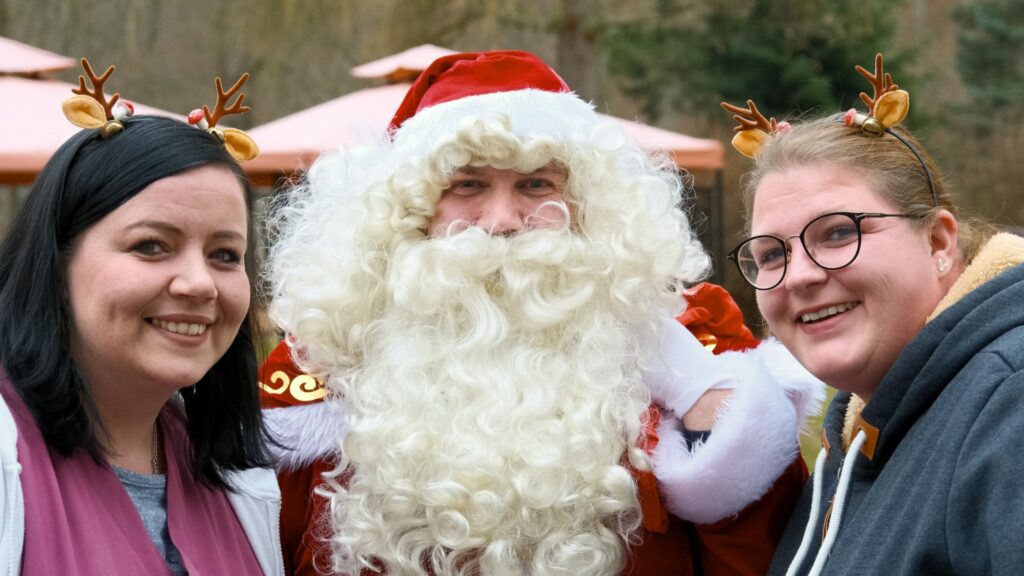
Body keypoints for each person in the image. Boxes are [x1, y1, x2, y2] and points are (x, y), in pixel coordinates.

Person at [263, 50, 823, 576]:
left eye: (536, 184)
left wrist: (707, 408)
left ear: (587, 206)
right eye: (468, 185)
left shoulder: (692, 337)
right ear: (410, 212)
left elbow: (774, 557)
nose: (503, 220)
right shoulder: (319, 361)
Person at [722, 53, 1024, 575]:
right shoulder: (855, 438)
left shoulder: (1008, 404)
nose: (798, 276)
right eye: (772, 254)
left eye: (839, 232)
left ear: (938, 241)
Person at [0, 60, 283, 575]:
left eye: (224, 254)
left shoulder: (245, 480)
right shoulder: (7, 457)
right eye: (151, 245)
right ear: (56, 259)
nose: (198, 283)